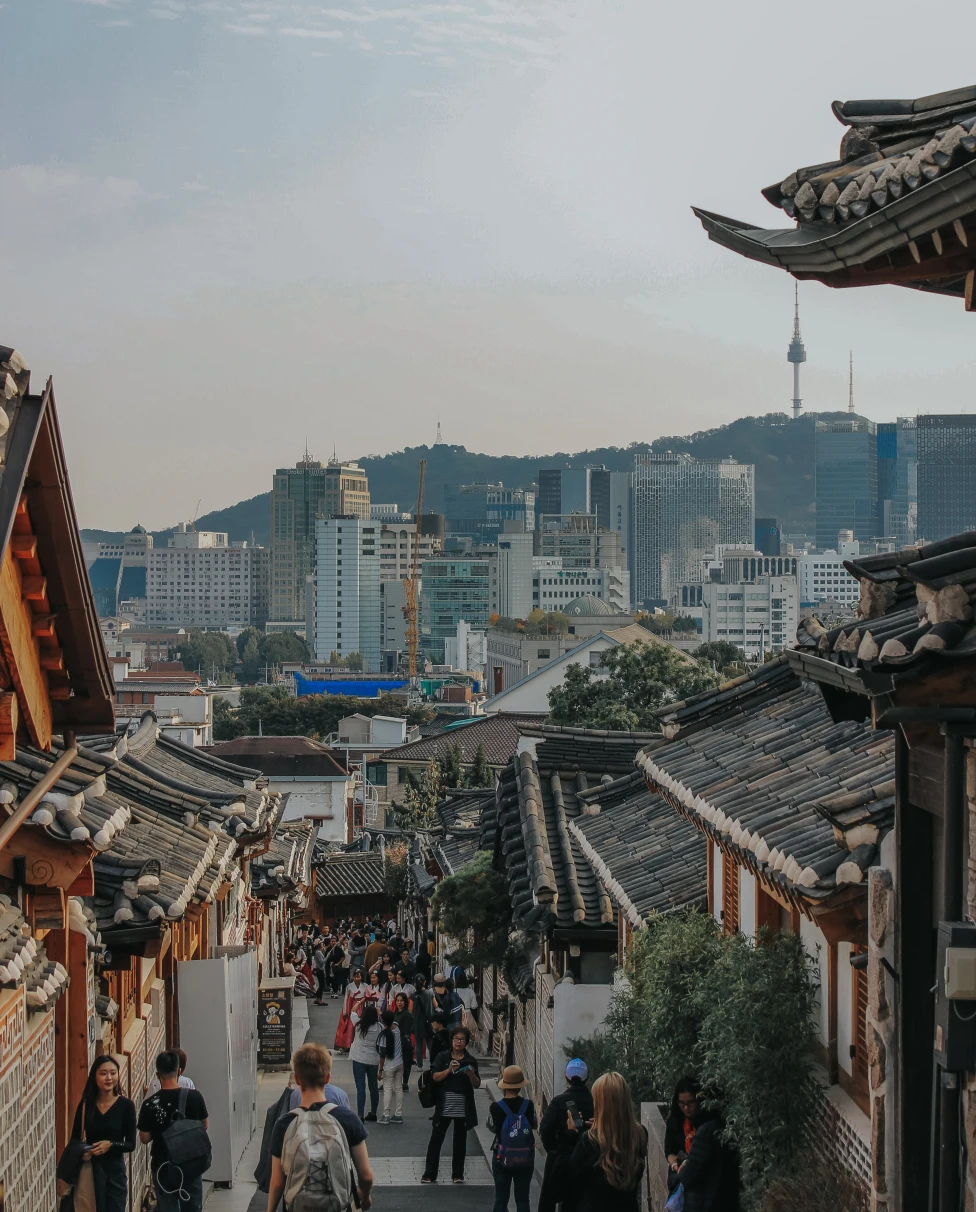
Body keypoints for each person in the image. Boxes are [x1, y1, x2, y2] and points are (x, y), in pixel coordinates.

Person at [267, 1043, 373, 1212]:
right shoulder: (348, 1119)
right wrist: (364, 1196)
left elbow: (277, 1183)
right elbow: (366, 1176)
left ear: (297, 1079)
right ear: (327, 1078)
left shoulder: (284, 1124)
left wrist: (270, 1210)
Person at [138, 1050, 209, 1212]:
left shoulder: (150, 1103)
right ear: (179, 1071)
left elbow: (144, 1137)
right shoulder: (194, 1097)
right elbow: (204, 1125)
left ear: (157, 1074)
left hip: (163, 1165)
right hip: (191, 1163)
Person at [566, 1072, 647, 1212]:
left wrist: (572, 1135)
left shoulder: (589, 1140)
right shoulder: (640, 1134)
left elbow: (569, 1180)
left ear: (602, 1104)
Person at [68, 1055, 137, 1212]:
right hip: (90, 1172)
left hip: (115, 1173)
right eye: (103, 1073)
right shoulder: (86, 1105)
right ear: (95, 1076)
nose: (109, 1078)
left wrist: (111, 1145)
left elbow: (131, 1144)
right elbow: (74, 1140)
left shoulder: (126, 1106)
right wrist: (82, 1152)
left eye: (113, 1073)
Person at [422, 1026, 481, 1184]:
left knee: (460, 1141)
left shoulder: (470, 1061)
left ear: (466, 1042)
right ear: (451, 1040)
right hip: (444, 1104)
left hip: (463, 1105)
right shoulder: (443, 1057)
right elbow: (434, 1077)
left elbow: (477, 1084)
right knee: (436, 1139)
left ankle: (458, 1174)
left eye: (462, 1039)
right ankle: (429, 1173)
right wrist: (449, 1070)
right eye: (456, 1039)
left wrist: (471, 1074)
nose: (458, 1042)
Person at [539, 1058, 594, 1212]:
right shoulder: (594, 1101)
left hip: (561, 1158)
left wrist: (553, 1148)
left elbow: (545, 1129)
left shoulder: (559, 1102)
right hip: (588, 1160)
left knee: (550, 1199)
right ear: (586, 1078)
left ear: (567, 1077)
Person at [488, 1065, 536, 1212]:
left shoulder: (496, 1107)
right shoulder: (528, 1105)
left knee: (501, 1199)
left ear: (504, 1085)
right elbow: (533, 1125)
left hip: (502, 1155)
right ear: (520, 1085)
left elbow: (495, 1129)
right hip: (525, 1157)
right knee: (523, 1199)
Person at [349, 1003, 382, 1122]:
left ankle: (360, 1115)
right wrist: (379, 1012)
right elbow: (386, 1022)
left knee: (360, 1088)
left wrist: (360, 1001)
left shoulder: (359, 1026)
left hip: (359, 1058)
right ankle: (373, 1113)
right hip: (373, 1060)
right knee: (373, 1087)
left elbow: (352, 1011)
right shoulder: (379, 1027)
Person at [376, 1009, 404, 1124]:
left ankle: (386, 1114)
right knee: (398, 1088)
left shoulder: (384, 1036)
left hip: (389, 1065)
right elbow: (392, 1022)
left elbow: (382, 1055)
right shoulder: (397, 1029)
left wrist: (380, 1070)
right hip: (399, 1063)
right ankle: (398, 1114)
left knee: (387, 1089)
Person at [335, 969, 367, 1052]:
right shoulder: (349, 986)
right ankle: (346, 1045)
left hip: (361, 1006)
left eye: (359, 976)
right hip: (351, 1006)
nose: (357, 978)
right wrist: (345, 1010)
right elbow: (346, 998)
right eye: (355, 976)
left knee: (359, 1026)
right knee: (348, 1026)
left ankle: (359, 1045)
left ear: (362, 977)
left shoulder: (366, 986)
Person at [392, 991, 415, 1090]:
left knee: (406, 1063)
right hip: (394, 1041)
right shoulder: (395, 1013)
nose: (399, 1002)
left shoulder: (407, 1015)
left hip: (404, 1042)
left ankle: (405, 1083)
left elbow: (407, 1030)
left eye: (401, 1001)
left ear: (405, 1002)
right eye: (397, 1000)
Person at [412, 974, 432, 1070]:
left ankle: (419, 1065)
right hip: (428, 1021)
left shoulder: (413, 996)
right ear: (425, 982)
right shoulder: (430, 993)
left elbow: (410, 1010)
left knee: (418, 1044)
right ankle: (433, 1062)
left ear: (415, 984)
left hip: (417, 1022)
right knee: (430, 1043)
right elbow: (436, 1005)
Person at [312, 941, 329, 1005]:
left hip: (319, 969)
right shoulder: (318, 952)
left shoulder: (318, 952)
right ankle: (319, 999)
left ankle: (317, 998)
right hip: (320, 970)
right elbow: (322, 962)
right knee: (322, 985)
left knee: (321, 985)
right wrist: (327, 957)